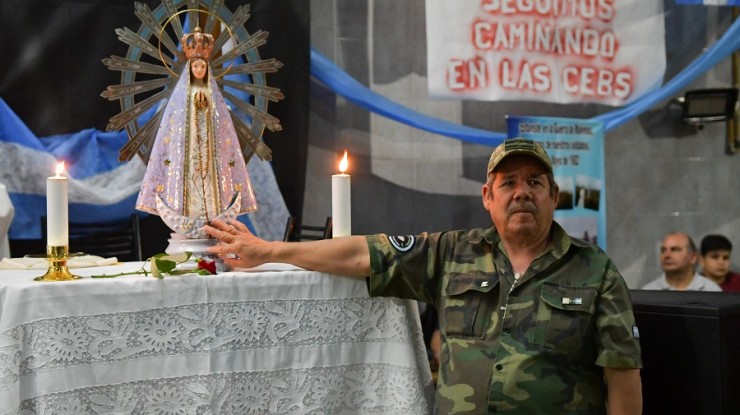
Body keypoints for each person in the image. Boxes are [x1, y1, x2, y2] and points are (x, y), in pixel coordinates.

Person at [203, 138, 643, 414]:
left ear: (553, 196)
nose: (522, 192)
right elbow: (364, 252)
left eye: (535, 182)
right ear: (488, 197)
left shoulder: (595, 271)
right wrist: (269, 251)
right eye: (508, 183)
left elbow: (622, 379)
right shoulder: (452, 253)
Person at [136, 27, 256, 238]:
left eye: (202, 66)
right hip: (188, 152)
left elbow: (222, 127)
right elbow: (175, 128)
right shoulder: (181, 98)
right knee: (189, 178)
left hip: (210, 154)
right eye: (196, 66)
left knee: (210, 182)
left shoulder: (213, 96)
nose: (199, 69)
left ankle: (212, 215)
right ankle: (187, 215)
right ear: (190, 68)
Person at [642, 232, 722, 291]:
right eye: (663, 250)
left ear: (693, 257)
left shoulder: (711, 290)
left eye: (675, 250)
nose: (667, 255)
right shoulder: (648, 292)